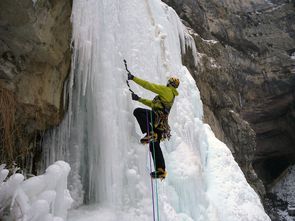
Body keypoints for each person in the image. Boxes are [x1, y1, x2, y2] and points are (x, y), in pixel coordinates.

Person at [128, 73, 179, 180]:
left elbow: (149, 85)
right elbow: (152, 104)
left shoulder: (167, 91)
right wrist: (139, 99)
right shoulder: (171, 95)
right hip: (162, 126)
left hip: (157, 119)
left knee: (138, 112)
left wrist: (133, 78)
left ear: (169, 83)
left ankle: (150, 133)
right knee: (154, 146)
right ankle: (161, 170)